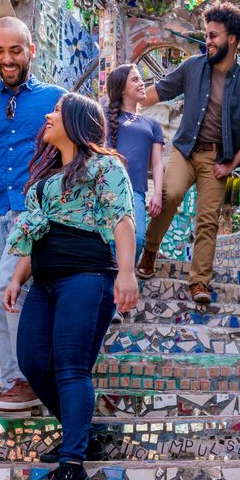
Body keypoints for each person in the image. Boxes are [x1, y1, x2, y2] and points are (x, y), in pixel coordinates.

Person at [3, 93, 140, 480]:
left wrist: (128, 273)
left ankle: (72, 464)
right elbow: (35, 233)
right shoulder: (46, 176)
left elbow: (122, 218)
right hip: (43, 281)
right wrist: (16, 277)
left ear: (77, 120)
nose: (48, 115)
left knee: (69, 366)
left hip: (86, 276)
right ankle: (84, 436)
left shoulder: (104, 166)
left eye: (57, 111)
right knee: (30, 361)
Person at [0, 17, 66, 418]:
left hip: (30, 212)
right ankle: (10, 388)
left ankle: (29, 381)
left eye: (15, 50)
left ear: (31, 51)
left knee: (11, 287)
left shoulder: (55, 99)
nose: (7, 59)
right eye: (0, 51)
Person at [134, 3, 240, 304]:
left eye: (214, 35)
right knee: (169, 195)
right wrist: (128, 103)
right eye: (206, 35)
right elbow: (161, 90)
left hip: (217, 160)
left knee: (207, 220)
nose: (208, 41)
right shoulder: (193, 67)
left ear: (232, 39)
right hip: (185, 150)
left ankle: (199, 282)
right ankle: (150, 252)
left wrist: (232, 163)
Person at [104, 64, 164, 321]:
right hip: (106, 191)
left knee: (137, 238)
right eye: (136, 79)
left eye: (141, 79)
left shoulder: (151, 124)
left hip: (136, 192)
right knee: (107, 242)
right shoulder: (104, 116)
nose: (142, 83)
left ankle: (119, 293)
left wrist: (157, 193)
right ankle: (109, 302)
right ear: (121, 87)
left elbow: (158, 163)